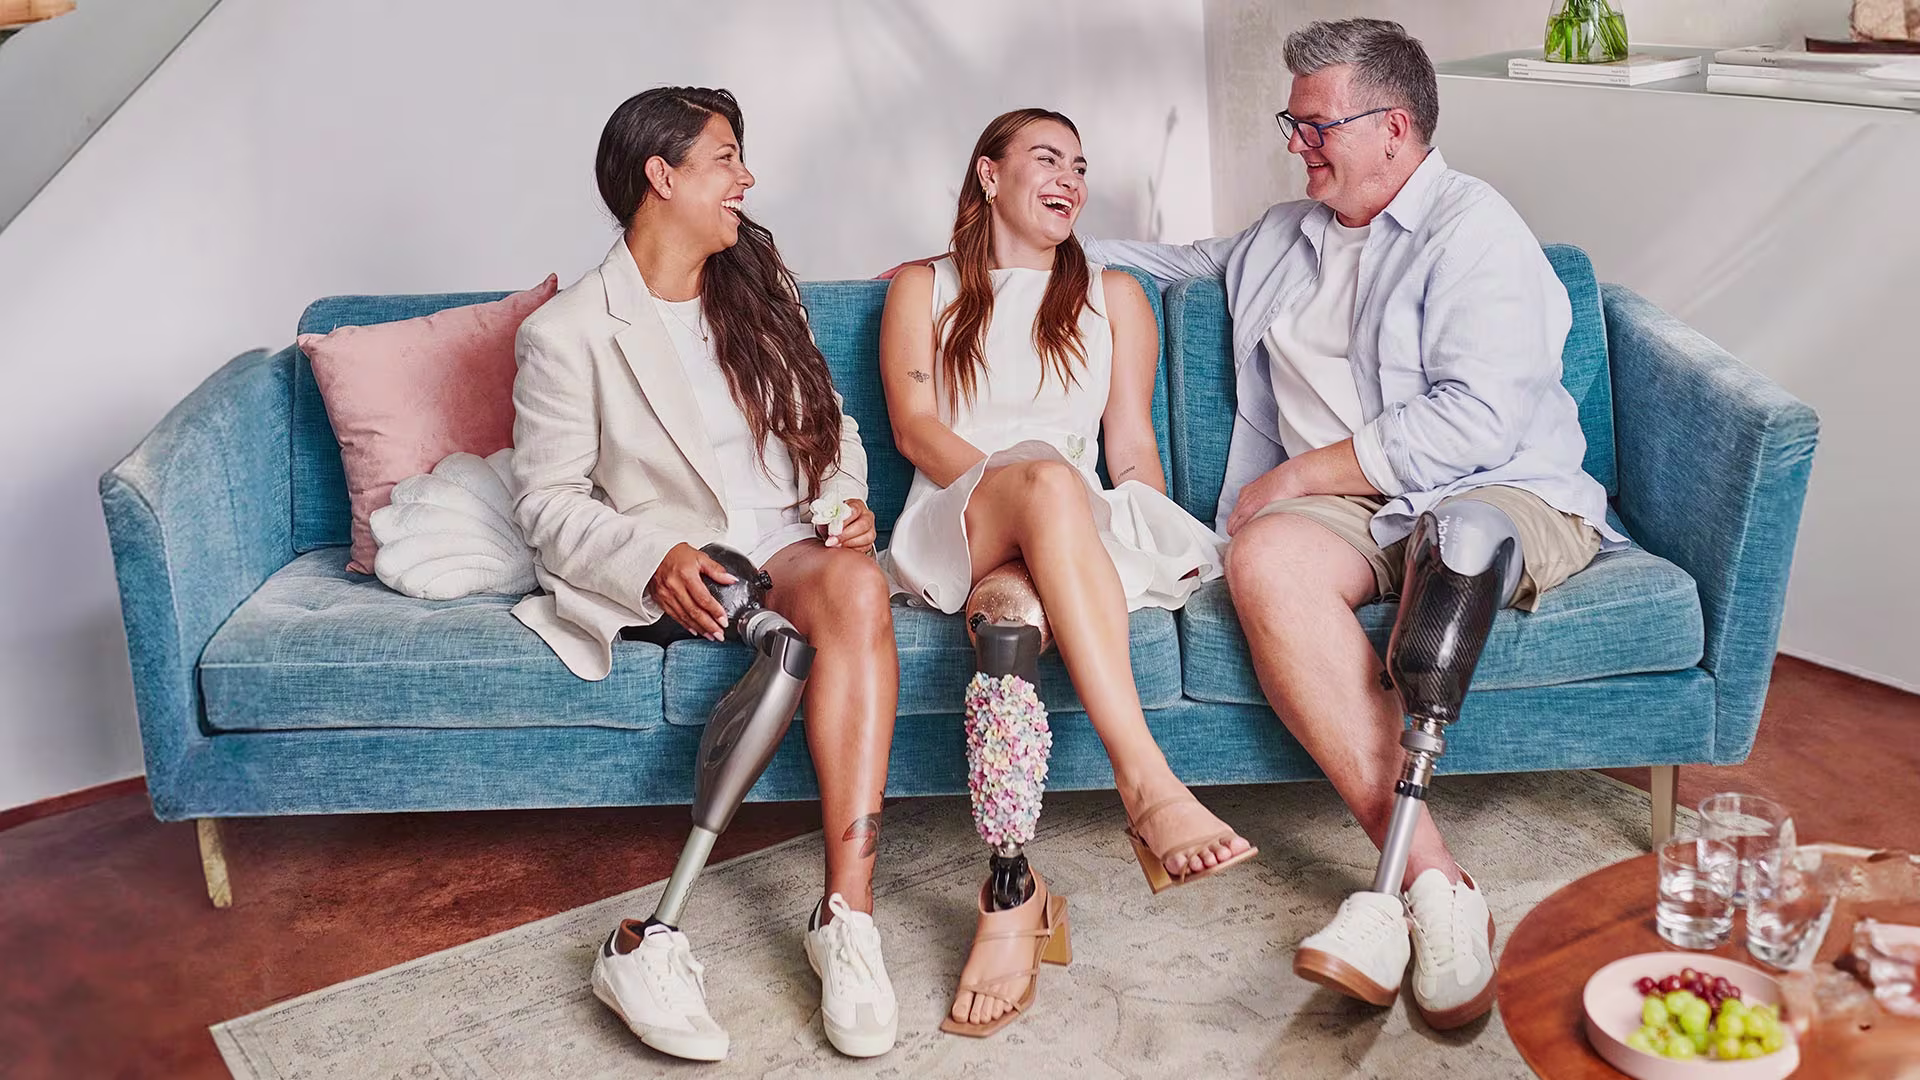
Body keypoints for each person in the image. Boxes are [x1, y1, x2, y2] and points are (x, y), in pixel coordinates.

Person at [1077, 19, 1625, 1030]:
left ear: (1395, 126)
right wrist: (990, 252)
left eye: (1315, 124)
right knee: (1266, 560)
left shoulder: (1475, 229)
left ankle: (1394, 897)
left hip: (1498, 486)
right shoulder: (1285, 236)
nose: (1298, 143)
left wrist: (1295, 475)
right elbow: (1161, 258)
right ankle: (1432, 883)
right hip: (1348, 513)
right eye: (1294, 122)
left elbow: (1479, 418)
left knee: (1452, 541)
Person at [509, 86, 899, 1061]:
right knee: (791, 628)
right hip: (687, 564)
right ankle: (648, 943)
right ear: (663, 175)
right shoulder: (568, 334)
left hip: (793, 546)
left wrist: (845, 497)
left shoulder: (762, 281)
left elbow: (832, 424)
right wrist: (655, 558)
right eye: (726, 157)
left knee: (856, 587)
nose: (747, 178)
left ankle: (846, 921)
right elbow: (547, 502)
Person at [878, 107, 1258, 1037]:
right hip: (960, 511)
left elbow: (1129, 449)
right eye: (1047, 159)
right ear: (988, 174)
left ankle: (1014, 894)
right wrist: (1024, 483)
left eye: (1081, 167)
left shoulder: (1117, 296)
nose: (1071, 180)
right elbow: (915, 432)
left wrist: (1141, 521)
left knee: (1009, 624)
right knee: (1046, 476)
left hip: (1070, 526)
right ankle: (1149, 788)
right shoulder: (920, 287)